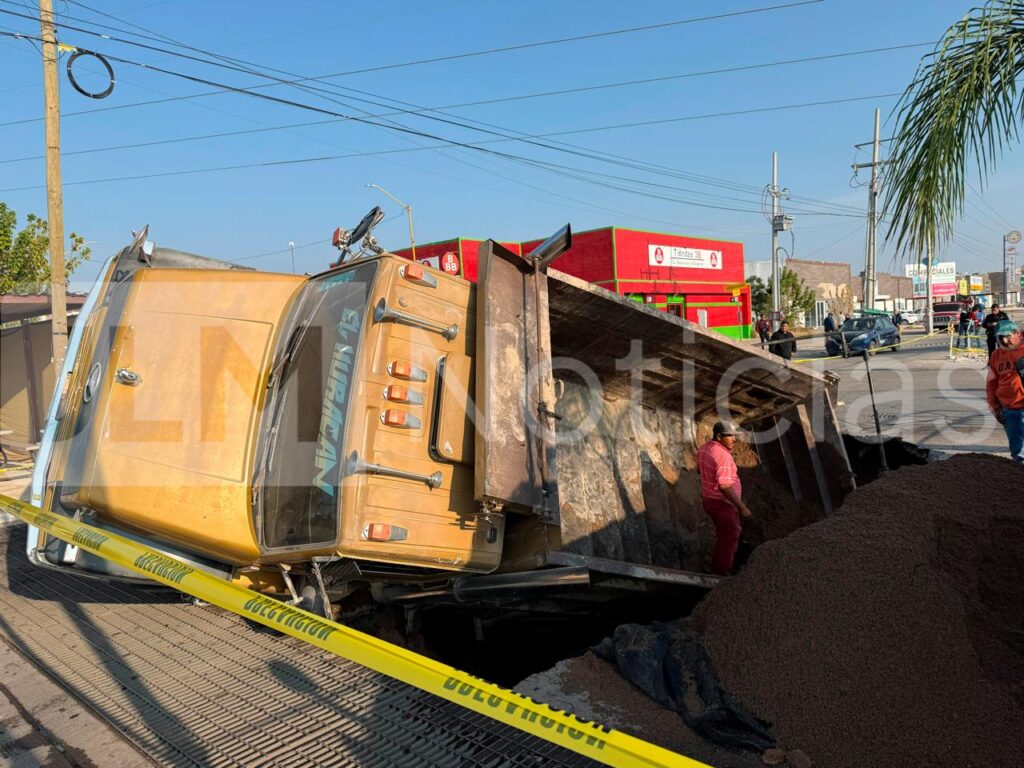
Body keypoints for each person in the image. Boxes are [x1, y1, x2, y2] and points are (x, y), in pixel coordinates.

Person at [697, 420, 753, 574]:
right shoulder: (722, 455)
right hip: (722, 504)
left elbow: (699, 469)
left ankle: (727, 561)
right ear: (719, 435)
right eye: (730, 436)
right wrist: (742, 507)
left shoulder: (704, 448)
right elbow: (724, 485)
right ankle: (721, 574)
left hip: (709, 500)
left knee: (726, 534)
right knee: (729, 537)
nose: (734, 439)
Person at [985, 319, 1024, 463]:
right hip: (1007, 408)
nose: (1004, 340)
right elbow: (991, 383)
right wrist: (994, 406)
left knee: (1022, 453)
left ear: (1017, 333)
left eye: (1007, 336)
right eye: (1000, 337)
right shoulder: (996, 355)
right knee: (1017, 451)